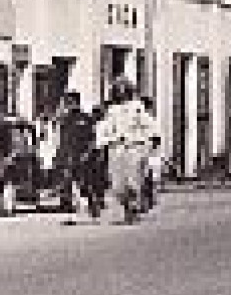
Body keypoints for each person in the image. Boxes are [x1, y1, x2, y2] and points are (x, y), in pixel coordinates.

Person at [96, 77, 157, 224]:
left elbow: (149, 126)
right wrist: (104, 141)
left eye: (124, 89)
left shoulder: (137, 108)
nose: (121, 92)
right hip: (116, 148)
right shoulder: (112, 110)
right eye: (118, 89)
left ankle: (133, 209)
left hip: (133, 148)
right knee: (117, 183)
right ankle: (126, 206)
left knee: (133, 180)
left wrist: (149, 139)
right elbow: (104, 128)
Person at [55, 91, 98, 219]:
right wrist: (59, 155)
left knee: (83, 182)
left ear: (76, 102)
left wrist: (87, 154)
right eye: (66, 102)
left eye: (69, 102)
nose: (67, 105)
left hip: (82, 155)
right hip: (67, 155)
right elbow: (62, 140)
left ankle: (92, 203)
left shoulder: (86, 119)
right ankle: (67, 206)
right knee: (66, 180)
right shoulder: (64, 120)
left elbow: (92, 139)